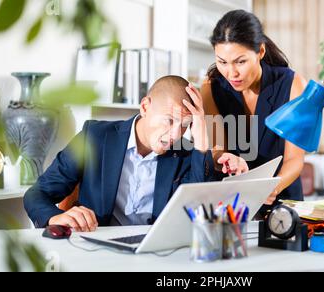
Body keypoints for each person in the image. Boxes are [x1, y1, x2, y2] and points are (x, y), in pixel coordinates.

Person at [24, 76, 246, 232]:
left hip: (156, 255)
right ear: (145, 107)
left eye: (185, 125)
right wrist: (55, 216)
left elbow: (200, 210)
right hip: (98, 249)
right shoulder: (95, 136)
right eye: (169, 120)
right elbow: (38, 193)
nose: (175, 134)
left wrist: (201, 142)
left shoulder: (186, 153)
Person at [201, 10, 307, 210]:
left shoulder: (291, 84)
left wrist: (271, 188)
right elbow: (217, 149)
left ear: (260, 52)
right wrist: (224, 158)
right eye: (222, 62)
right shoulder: (211, 87)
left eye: (240, 62)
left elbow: (295, 159)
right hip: (233, 203)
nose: (231, 73)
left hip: (281, 201)